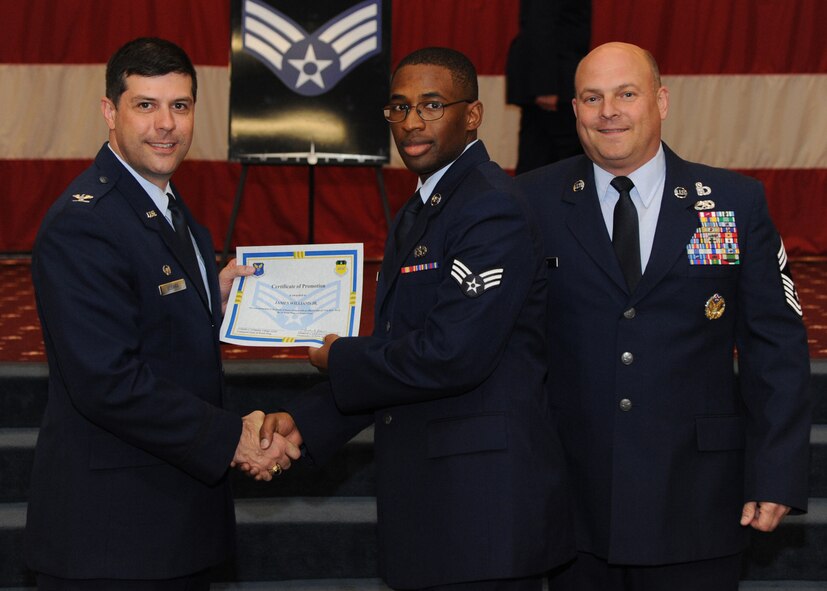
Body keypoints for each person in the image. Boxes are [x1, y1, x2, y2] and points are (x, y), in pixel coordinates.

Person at [254, 47, 574, 590]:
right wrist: (307, 423)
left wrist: (339, 357)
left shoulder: (489, 206)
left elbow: (451, 356)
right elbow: (401, 349)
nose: (412, 123)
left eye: (431, 105)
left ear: (472, 115)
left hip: (481, 515)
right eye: (398, 108)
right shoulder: (424, 207)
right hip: (438, 506)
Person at [517, 42, 812, 590]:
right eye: (591, 97)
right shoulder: (532, 202)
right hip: (574, 499)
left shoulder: (728, 203)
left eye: (626, 94)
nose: (609, 111)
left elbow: (775, 347)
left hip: (698, 498)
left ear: (661, 100)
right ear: (575, 109)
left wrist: (776, 472)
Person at [24, 37, 300, 590]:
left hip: (172, 523)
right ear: (110, 111)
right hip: (113, 535)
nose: (165, 125)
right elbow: (108, 381)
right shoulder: (87, 223)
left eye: (180, 105)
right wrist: (233, 438)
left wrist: (208, 295)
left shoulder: (171, 210)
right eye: (145, 105)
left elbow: (155, 322)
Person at [505, 0, 591, 174]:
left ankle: (525, 199)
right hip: (555, 80)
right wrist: (545, 87)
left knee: (539, 152)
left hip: (555, 76)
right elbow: (540, 24)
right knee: (564, 156)